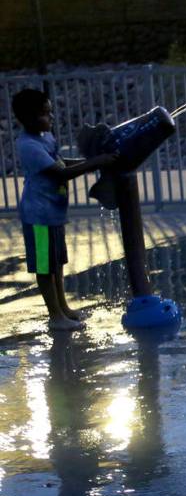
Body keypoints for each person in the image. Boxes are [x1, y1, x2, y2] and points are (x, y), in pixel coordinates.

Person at [12, 88, 117, 332]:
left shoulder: (46, 138)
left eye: (50, 112)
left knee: (57, 263)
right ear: (28, 117)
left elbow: (61, 163)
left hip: (53, 213)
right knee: (44, 267)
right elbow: (61, 173)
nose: (51, 118)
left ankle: (63, 307)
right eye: (45, 114)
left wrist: (90, 163)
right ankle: (55, 316)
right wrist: (96, 162)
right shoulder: (28, 145)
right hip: (37, 216)